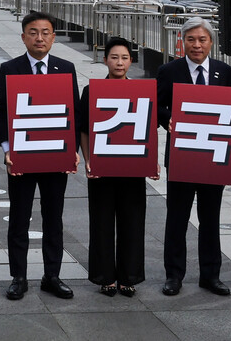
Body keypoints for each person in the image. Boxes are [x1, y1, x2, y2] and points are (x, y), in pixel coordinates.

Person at [0, 10, 81, 301]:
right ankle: (19, 277)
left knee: (53, 218)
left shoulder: (66, 68)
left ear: (53, 37)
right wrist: (7, 149)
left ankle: (52, 276)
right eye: (33, 32)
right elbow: (1, 111)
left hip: (55, 157)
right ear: (23, 37)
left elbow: (73, 111)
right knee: (19, 218)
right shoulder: (10, 68)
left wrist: (73, 151)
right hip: (21, 157)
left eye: (45, 33)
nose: (39, 38)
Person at [155, 18, 231, 297]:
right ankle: (174, 275)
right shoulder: (169, 71)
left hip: (214, 156)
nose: (197, 45)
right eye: (191, 39)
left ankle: (211, 275)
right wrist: (168, 118)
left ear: (211, 42)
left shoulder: (225, 72)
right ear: (182, 42)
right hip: (182, 155)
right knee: (177, 217)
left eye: (202, 39)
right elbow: (157, 106)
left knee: (210, 218)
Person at [79, 36, 152, 298]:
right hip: (101, 168)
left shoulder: (141, 91)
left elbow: (147, 130)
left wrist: (151, 163)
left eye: (124, 58)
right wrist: (88, 160)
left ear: (131, 61)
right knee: (101, 222)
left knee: (132, 221)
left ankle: (129, 277)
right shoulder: (91, 91)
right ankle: (106, 277)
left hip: (132, 168)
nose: (119, 63)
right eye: (114, 57)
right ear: (105, 60)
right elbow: (83, 130)